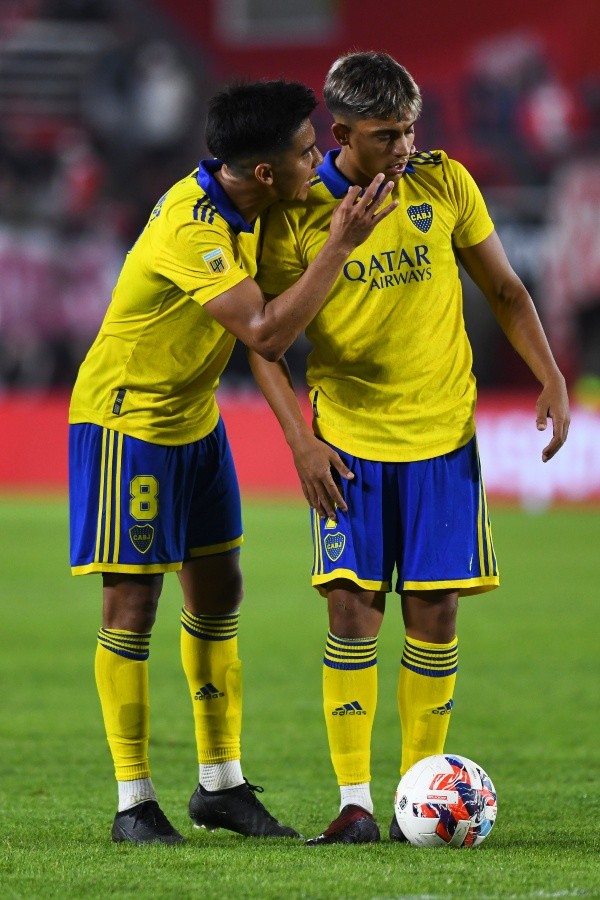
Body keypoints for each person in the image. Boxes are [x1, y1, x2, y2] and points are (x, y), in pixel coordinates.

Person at [249, 52, 570, 845]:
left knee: (434, 614)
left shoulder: (444, 182)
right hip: (350, 442)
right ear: (341, 132)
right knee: (351, 611)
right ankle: (355, 803)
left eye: (410, 130)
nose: (405, 147)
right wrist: (300, 443)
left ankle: (414, 798)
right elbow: (265, 342)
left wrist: (551, 376)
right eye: (387, 135)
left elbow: (505, 289)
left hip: (442, 438)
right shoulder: (295, 212)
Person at [68, 78, 397, 845]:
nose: (317, 162)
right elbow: (266, 333)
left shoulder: (258, 201)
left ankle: (220, 785)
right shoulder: (194, 227)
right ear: (265, 171)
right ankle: (133, 802)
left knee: (220, 592)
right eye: (307, 152)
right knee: (132, 605)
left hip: (195, 418)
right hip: (128, 421)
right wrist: (341, 244)